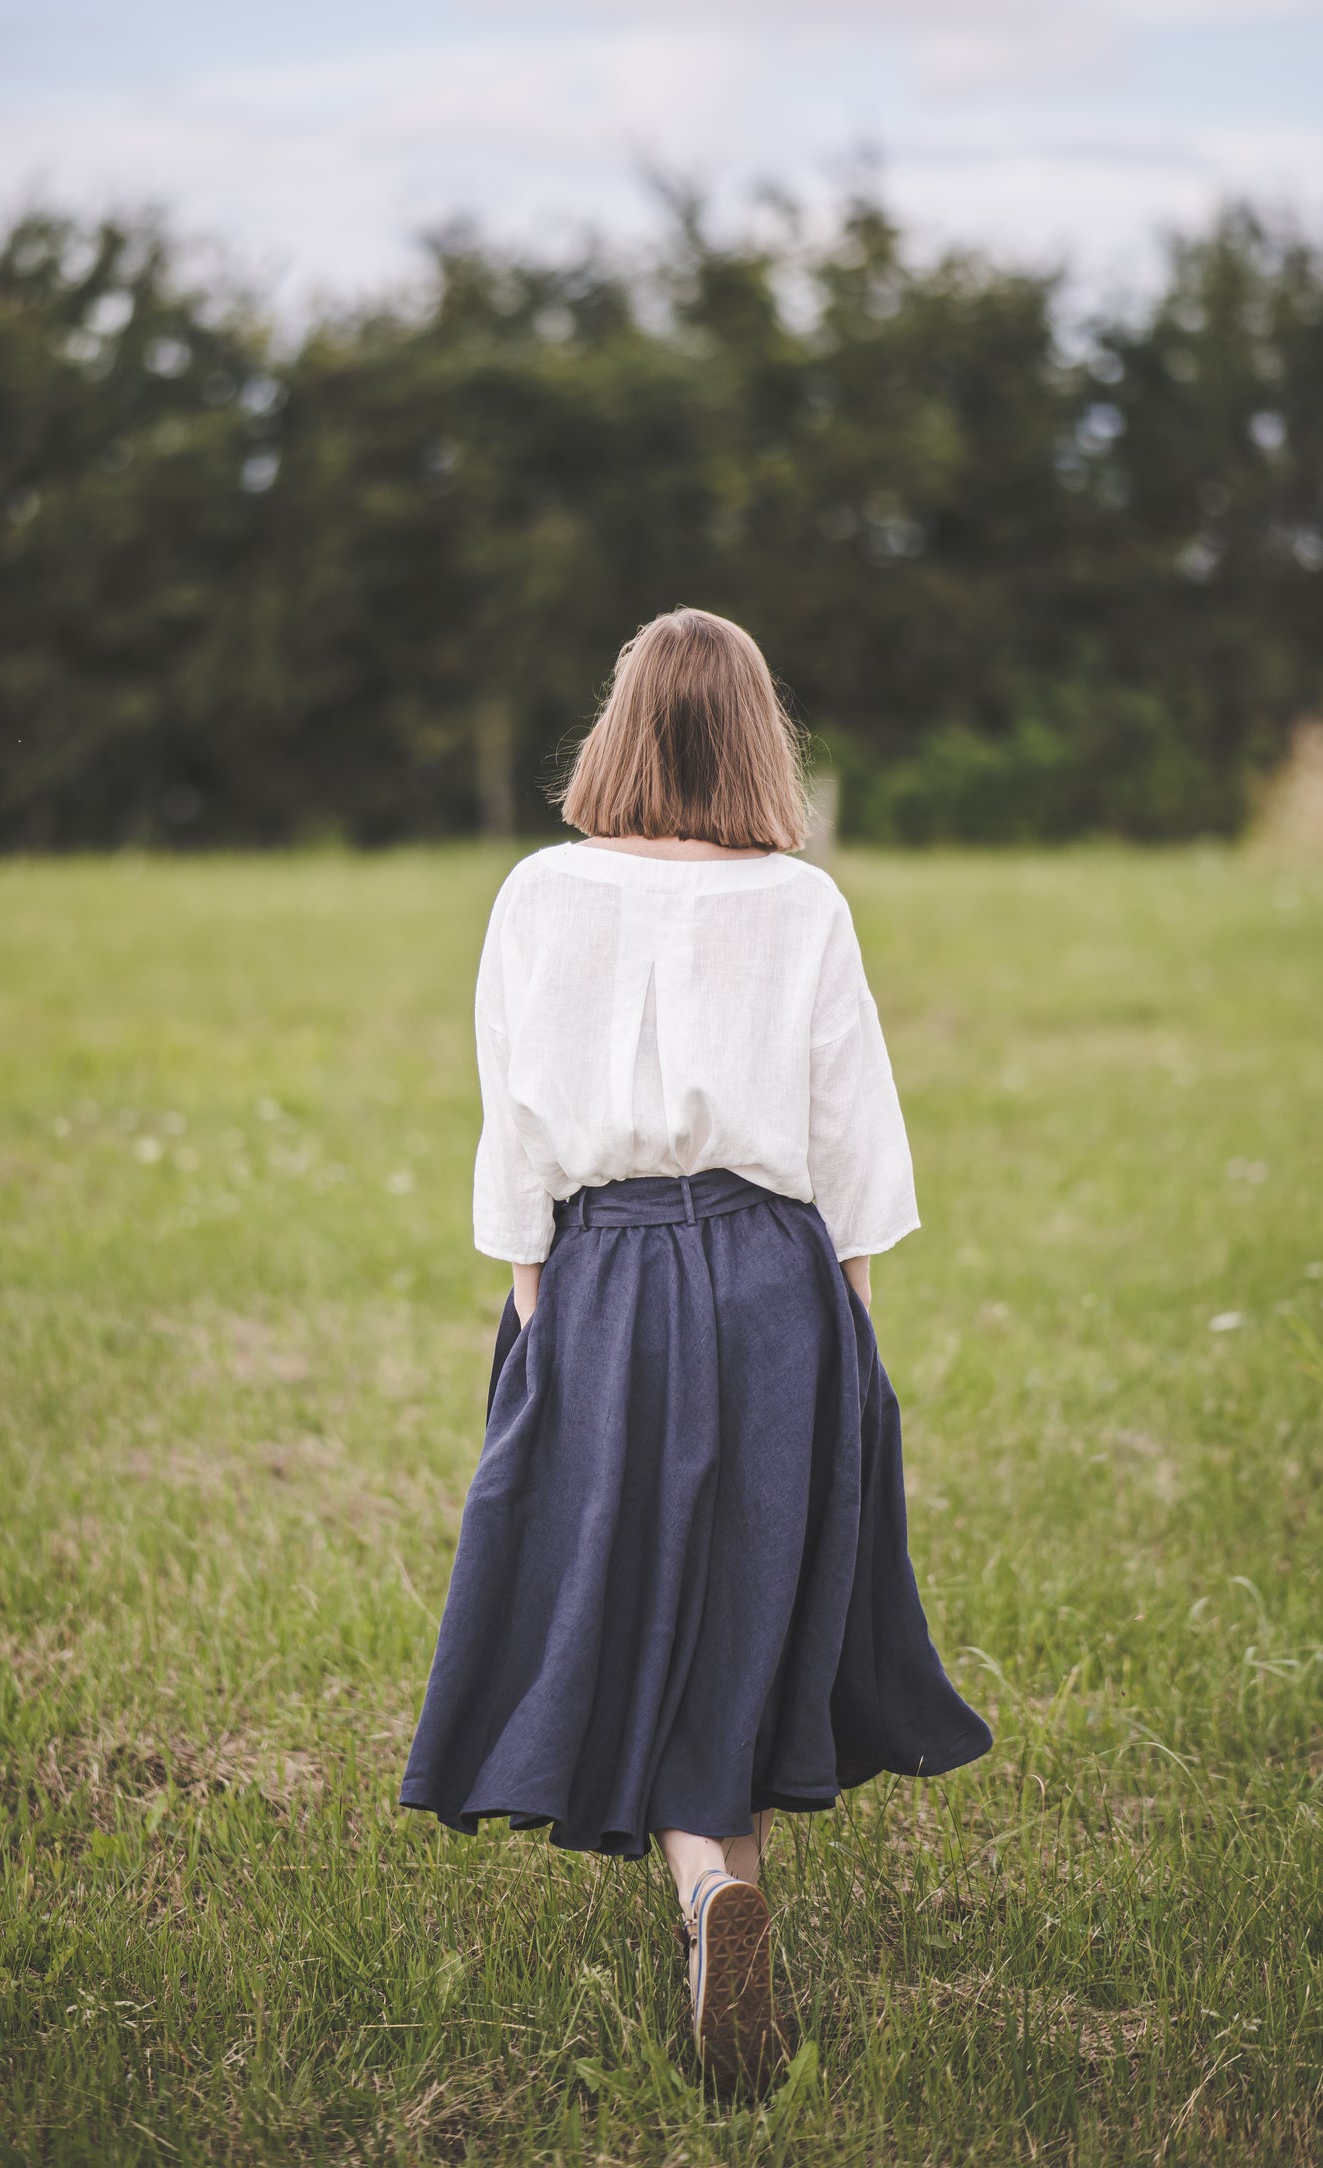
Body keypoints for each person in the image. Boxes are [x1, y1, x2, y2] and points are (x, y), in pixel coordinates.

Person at [401, 607, 991, 2088]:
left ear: (614, 726)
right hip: (770, 1273)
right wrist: (844, 1327)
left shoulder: (539, 893)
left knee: (620, 1583)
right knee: (751, 1576)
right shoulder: (799, 906)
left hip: (601, 1268)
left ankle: (709, 1893)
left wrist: (538, 1300)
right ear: (755, 737)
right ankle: (724, 1882)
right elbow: (852, 1129)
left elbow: (512, 1111)